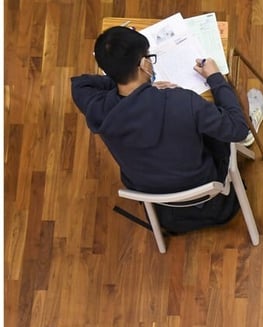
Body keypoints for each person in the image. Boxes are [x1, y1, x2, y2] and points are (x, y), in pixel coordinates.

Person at [70, 26, 251, 234]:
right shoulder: (182, 101)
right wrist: (215, 77)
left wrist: (124, 79)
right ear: (143, 64)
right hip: (204, 185)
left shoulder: (99, 109)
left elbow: (79, 85)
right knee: (224, 119)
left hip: (154, 196)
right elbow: (238, 129)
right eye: (148, 56)